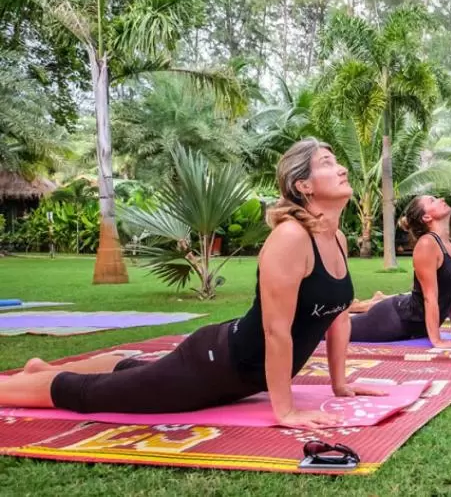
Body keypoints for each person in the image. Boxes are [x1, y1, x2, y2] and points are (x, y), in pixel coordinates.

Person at [0, 138, 384, 427]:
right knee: (93, 396)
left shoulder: (336, 239)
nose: (340, 168)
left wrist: (340, 384)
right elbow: (275, 331)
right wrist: (284, 410)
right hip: (218, 365)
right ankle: (15, 386)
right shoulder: (291, 238)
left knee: (138, 371)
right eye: (327, 163)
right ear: (303, 186)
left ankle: (38, 367)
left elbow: (337, 317)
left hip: (240, 374)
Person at [349, 195, 451, 348]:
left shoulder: (450, 243)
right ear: (426, 217)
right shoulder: (427, 244)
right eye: (432, 200)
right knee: (334, 332)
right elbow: (430, 297)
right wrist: (437, 341)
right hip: (395, 319)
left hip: (416, 327)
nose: (441, 199)